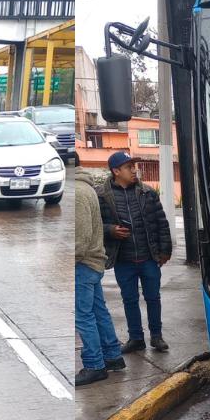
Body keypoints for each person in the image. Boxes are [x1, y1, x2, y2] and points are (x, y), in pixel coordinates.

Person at [97, 151, 173, 353]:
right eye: (129, 167)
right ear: (116, 171)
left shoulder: (147, 193)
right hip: (124, 259)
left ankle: (156, 337)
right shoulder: (102, 196)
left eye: (134, 166)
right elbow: (96, 225)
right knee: (129, 299)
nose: (134, 170)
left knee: (153, 298)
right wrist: (110, 230)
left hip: (149, 258)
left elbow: (161, 224)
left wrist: (165, 251)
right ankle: (136, 338)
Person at [75, 169, 124, 387]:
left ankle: (94, 365)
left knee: (83, 316)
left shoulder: (76, 192)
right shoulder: (87, 188)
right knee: (98, 311)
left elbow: (80, 238)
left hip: (83, 263)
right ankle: (112, 356)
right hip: (93, 261)